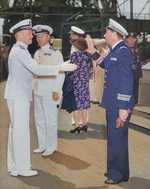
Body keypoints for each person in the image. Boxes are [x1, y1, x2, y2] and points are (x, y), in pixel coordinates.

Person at [4, 19, 77, 177]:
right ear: (20, 34)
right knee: (20, 132)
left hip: (18, 94)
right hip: (19, 95)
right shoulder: (20, 51)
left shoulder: (20, 50)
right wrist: (61, 67)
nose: (33, 35)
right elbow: (36, 68)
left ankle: (13, 165)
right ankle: (21, 168)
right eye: (30, 33)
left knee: (15, 130)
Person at [86, 19, 135, 184]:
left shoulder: (123, 51)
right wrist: (92, 51)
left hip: (119, 104)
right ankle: (121, 171)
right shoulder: (115, 50)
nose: (104, 35)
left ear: (114, 33)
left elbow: (127, 80)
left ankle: (116, 174)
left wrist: (123, 108)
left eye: (106, 33)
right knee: (117, 138)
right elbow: (104, 65)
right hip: (113, 103)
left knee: (116, 139)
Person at [32, 25, 65, 156]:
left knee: (50, 120)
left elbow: (60, 73)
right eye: (37, 37)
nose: (39, 39)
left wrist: (56, 90)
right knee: (39, 119)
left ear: (48, 37)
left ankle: (51, 146)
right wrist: (32, 89)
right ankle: (42, 145)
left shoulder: (55, 53)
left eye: (42, 36)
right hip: (38, 91)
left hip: (49, 91)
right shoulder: (36, 53)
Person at [62, 37, 93, 133]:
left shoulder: (74, 55)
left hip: (75, 82)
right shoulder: (89, 56)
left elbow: (71, 68)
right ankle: (84, 124)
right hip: (85, 82)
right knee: (84, 104)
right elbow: (91, 71)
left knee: (76, 104)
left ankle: (76, 126)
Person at [69, 26, 89, 125]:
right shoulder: (85, 51)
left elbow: (72, 63)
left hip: (76, 77)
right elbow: (89, 66)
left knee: (76, 98)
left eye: (71, 34)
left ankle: (77, 120)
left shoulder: (75, 50)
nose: (70, 35)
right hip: (84, 78)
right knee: (84, 98)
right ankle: (83, 121)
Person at [126, 32, 143, 104]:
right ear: (127, 39)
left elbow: (139, 63)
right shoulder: (125, 49)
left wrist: (140, 75)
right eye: (130, 38)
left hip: (136, 74)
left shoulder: (137, 50)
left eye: (133, 38)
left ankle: (134, 102)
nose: (132, 40)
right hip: (128, 74)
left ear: (136, 39)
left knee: (135, 91)